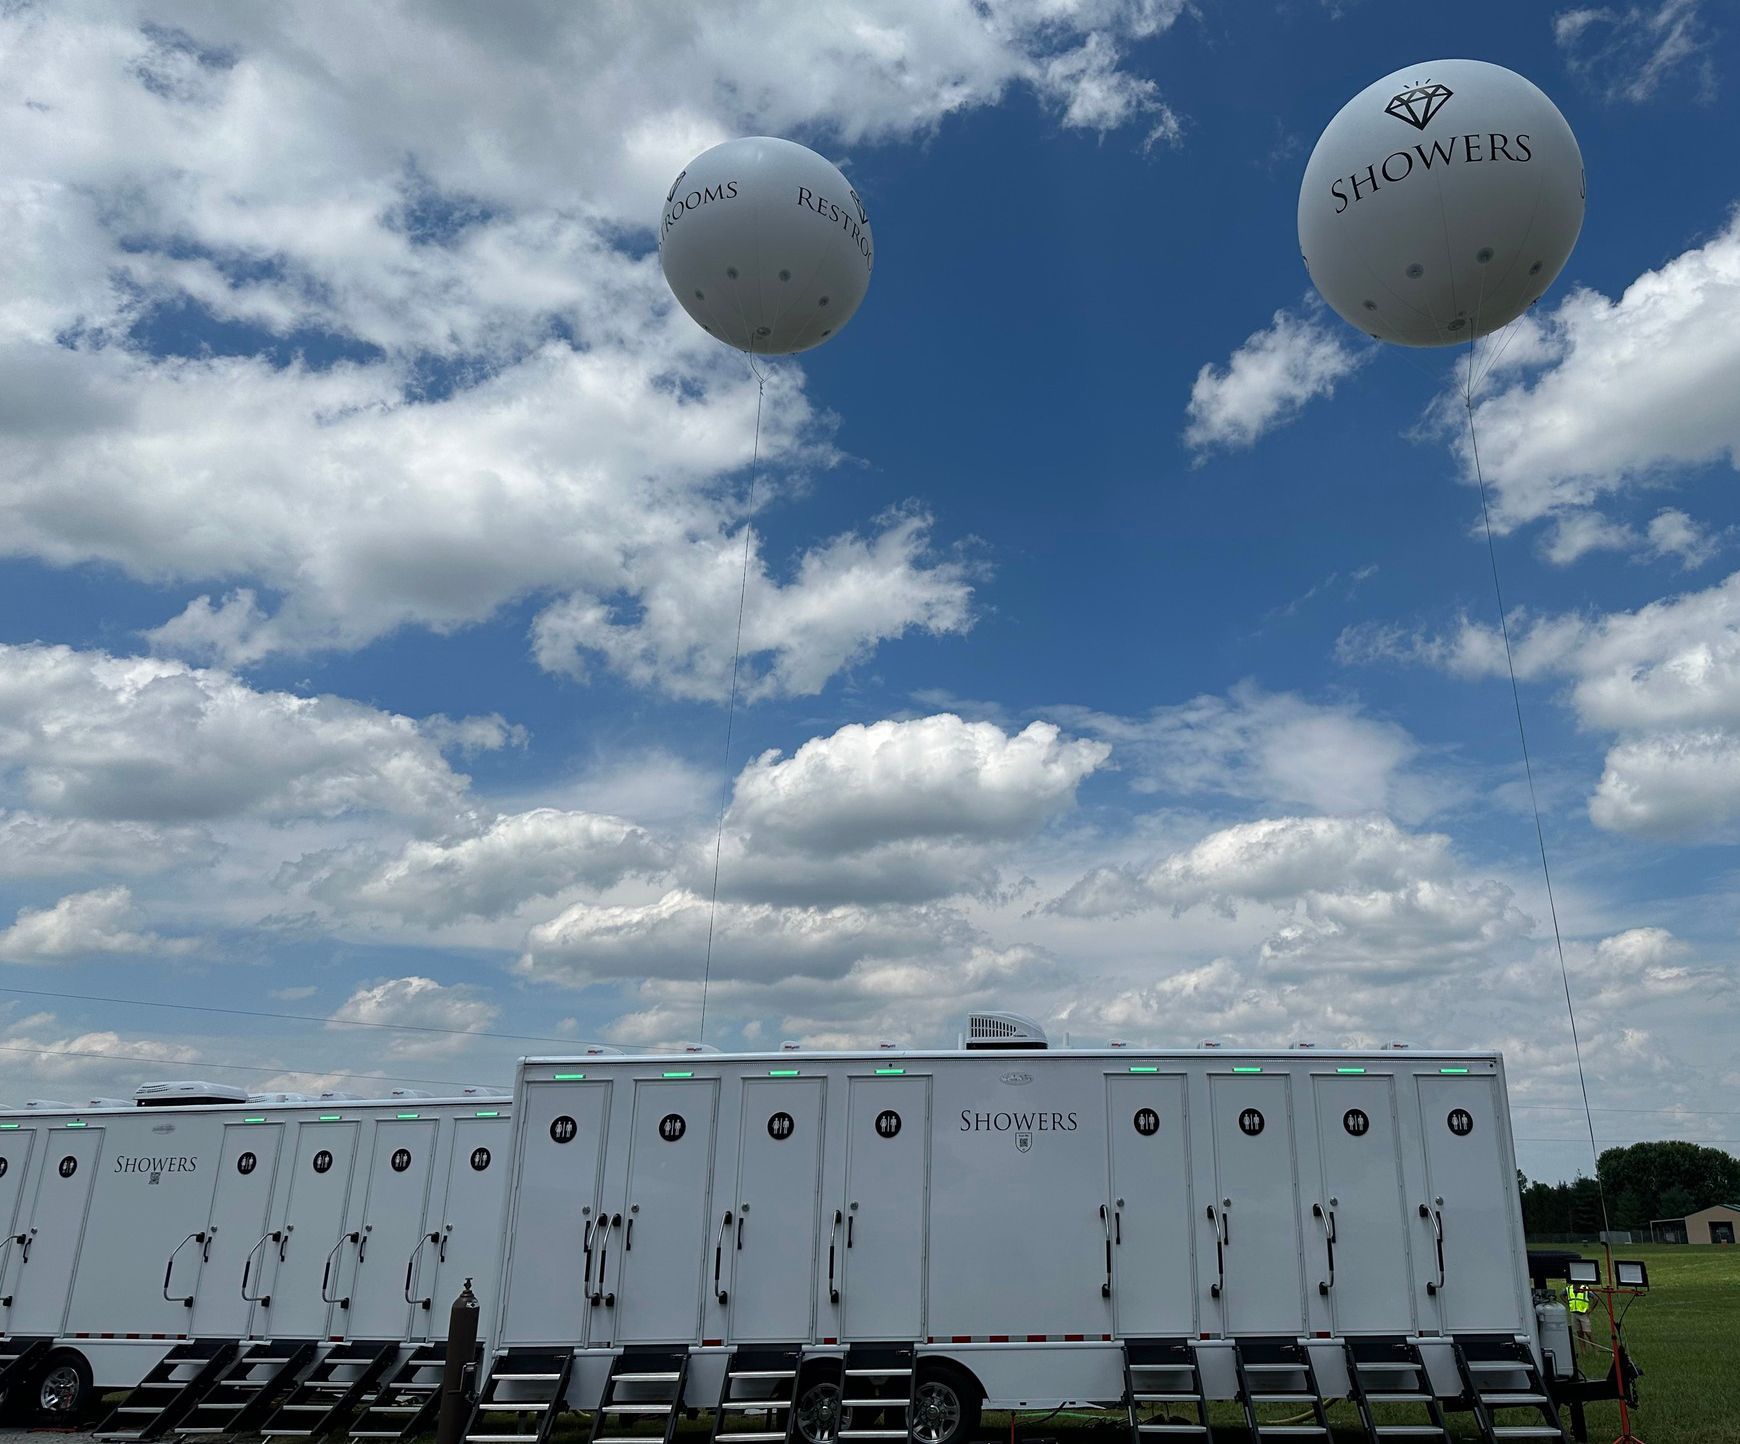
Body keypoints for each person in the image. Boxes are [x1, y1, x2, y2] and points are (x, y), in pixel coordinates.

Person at [1566, 1279, 1594, 1344]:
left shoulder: (1585, 1289)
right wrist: (1568, 1303)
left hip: (1583, 1313)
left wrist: (1591, 1310)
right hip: (1574, 1313)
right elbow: (1561, 1295)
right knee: (1579, 1334)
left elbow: (1595, 1298)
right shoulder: (1568, 1289)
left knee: (1588, 1333)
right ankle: (1583, 1352)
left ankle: (1595, 1349)